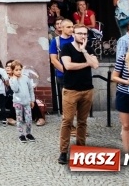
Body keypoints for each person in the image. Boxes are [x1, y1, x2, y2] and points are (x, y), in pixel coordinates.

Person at [57, 24, 98, 165]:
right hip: (71, 90)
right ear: (73, 34)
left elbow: (96, 65)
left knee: (82, 122)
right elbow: (68, 66)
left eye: (85, 34)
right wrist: (87, 63)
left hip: (87, 90)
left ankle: (81, 150)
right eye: (80, 33)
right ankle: (63, 151)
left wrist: (85, 52)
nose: (83, 36)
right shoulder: (67, 48)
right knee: (67, 121)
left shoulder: (89, 48)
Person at [48, 18, 74, 113]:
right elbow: (54, 60)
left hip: (77, 74)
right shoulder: (56, 41)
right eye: (68, 27)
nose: (71, 29)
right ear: (62, 28)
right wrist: (66, 71)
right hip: (62, 74)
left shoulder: (76, 38)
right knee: (66, 101)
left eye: (72, 27)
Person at [9, 61, 36, 143]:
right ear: (13, 70)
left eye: (20, 69)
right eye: (16, 70)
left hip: (27, 102)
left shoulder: (25, 78)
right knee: (19, 119)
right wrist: (15, 79)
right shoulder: (12, 80)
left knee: (29, 119)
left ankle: (28, 133)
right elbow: (15, 89)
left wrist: (32, 100)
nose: (18, 72)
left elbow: (31, 89)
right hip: (18, 102)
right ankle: (21, 135)